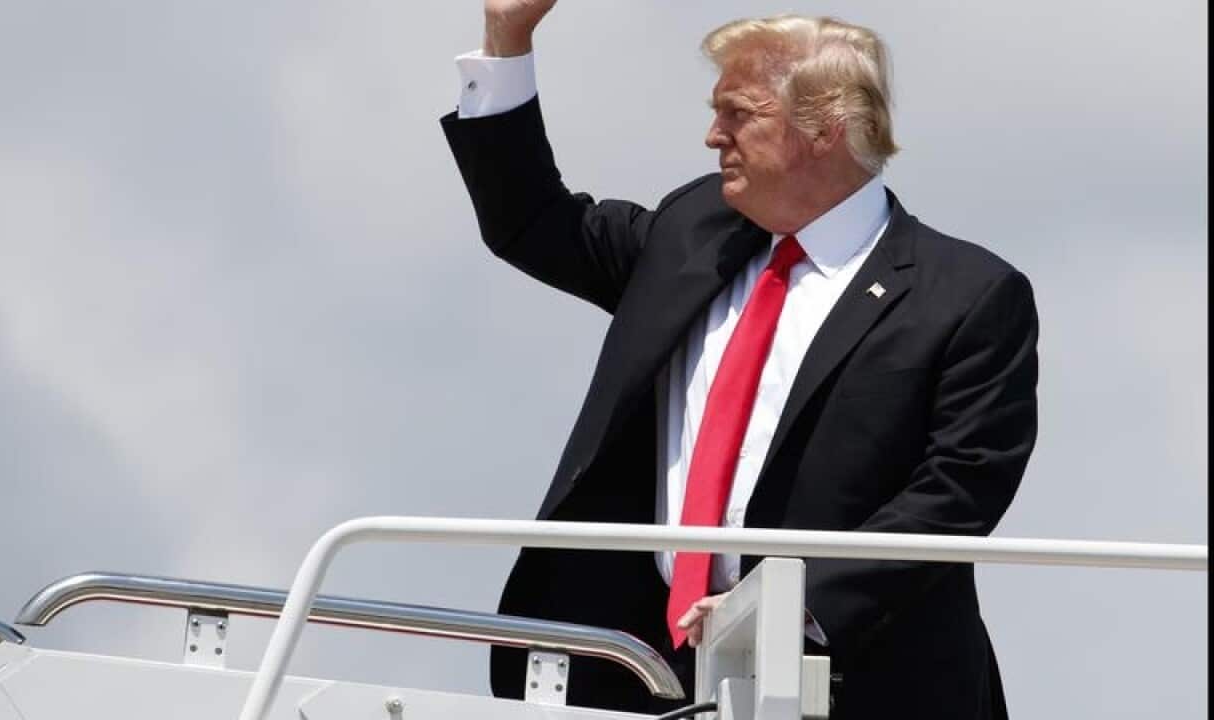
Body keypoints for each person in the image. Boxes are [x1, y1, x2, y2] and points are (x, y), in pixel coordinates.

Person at [441, 3, 1038, 719]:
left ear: (826, 128)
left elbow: (958, 493)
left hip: (854, 681)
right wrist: (508, 38)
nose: (712, 135)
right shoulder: (693, 230)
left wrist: (782, 610)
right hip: (643, 675)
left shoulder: (967, 294)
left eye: (738, 113)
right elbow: (532, 223)